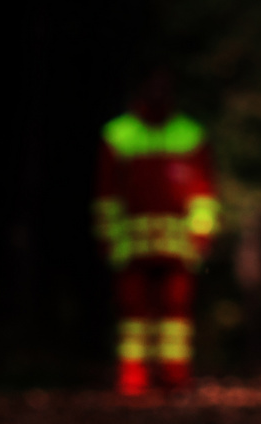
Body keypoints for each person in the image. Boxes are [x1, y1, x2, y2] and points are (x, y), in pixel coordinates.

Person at [93, 70, 220, 395]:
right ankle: (133, 378)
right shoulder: (119, 135)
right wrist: (108, 237)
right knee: (132, 314)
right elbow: (106, 193)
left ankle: (173, 377)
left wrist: (201, 234)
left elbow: (204, 193)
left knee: (175, 318)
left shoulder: (190, 135)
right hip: (131, 243)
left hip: (177, 245)